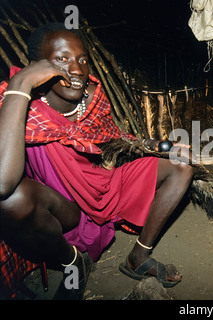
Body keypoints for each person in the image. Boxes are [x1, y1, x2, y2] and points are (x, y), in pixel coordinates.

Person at [0, 23, 193, 299]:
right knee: (11, 200)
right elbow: (2, 183)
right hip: (61, 206)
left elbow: (114, 135)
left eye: (82, 59)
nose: (77, 69)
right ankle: (73, 260)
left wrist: (157, 145)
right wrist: (21, 83)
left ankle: (138, 256)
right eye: (62, 59)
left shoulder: (93, 97)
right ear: (36, 66)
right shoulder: (16, 101)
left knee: (182, 165)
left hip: (101, 187)